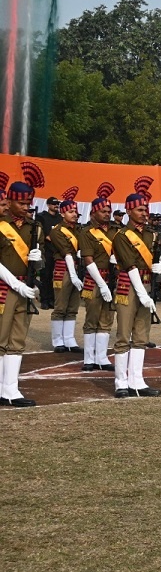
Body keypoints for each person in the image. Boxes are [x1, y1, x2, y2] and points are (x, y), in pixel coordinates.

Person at [110, 184, 161, 398]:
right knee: (124, 334)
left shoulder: (151, 235)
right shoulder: (122, 235)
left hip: (148, 284)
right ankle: (120, 382)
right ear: (129, 210)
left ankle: (137, 380)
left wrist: (157, 269)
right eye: (140, 209)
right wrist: (141, 293)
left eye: (146, 209)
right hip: (129, 286)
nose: (144, 213)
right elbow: (130, 264)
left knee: (141, 334)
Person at [0, 164, 46, 407]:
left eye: (29, 203)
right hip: (3, 288)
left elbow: (40, 262)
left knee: (17, 339)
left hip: (25, 288)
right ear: (10, 200)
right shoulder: (0, 224)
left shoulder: (34, 228)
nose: (27, 207)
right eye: (22, 203)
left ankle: (11, 389)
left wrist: (38, 264)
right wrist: (15, 286)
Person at [80, 183, 118, 373]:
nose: (106, 214)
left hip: (112, 278)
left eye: (108, 210)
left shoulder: (115, 231)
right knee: (92, 318)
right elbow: (88, 259)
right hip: (95, 280)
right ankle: (89, 358)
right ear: (93, 212)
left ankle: (101, 357)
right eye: (103, 211)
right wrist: (102, 284)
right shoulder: (86, 232)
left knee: (106, 318)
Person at [47, 190, 85, 354]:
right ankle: (58, 340)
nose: (74, 214)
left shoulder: (78, 229)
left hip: (77, 267)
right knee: (61, 306)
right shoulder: (57, 231)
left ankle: (69, 339)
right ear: (63, 213)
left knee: (73, 306)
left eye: (75, 211)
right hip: (63, 269)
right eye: (71, 211)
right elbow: (66, 252)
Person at [35, 195, 61, 309]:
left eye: (57, 204)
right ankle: (44, 299)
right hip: (46, 250)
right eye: (54, 204)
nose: (56, 206)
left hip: (57, 250)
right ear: (48, 205)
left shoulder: (60, 218)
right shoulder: (42, 217)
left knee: (56, 276)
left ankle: (52, 299)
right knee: (46, 275)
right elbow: (38, 231)